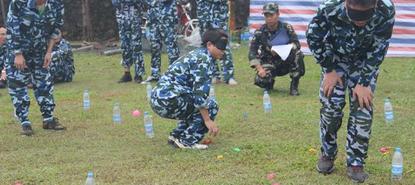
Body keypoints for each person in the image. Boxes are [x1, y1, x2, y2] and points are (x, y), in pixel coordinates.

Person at [306, 0, 395, 183]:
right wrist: (329, 70)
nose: (359, 22)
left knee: (362, 109)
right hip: (335, 59)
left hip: (364, 62)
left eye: (365, 16)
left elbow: (379, 46)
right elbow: (313, 36)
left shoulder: (386, 9)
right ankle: (327, 154)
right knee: (331, 109)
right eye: (354, 15)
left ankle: (356, 162)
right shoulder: (329, 8)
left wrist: (364, 82)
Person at [150, 28, 226, 149]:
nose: (223, 51)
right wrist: (207, 120)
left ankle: (177, 136)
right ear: (209, 44)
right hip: (168, 100)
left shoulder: (198, 54)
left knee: (193, 105)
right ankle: (186, 141)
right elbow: (200, 95)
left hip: (159, 99)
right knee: (211, 106)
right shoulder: (204, 60)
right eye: (220, 46)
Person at [6, 0, 67, 136]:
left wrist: (49, 51)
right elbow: (12, 29)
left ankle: (48, 119)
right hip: (20, 51)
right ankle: (25, 122)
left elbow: (56, 29)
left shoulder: (56, 3)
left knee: (45, 83)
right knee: (18, 85)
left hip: (41, 51)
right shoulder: (18, 3)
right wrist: (18, 54)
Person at [248, 2, 305, 95]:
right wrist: (260, 69)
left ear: (278, 14)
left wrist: (282, 50)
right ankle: (269, 82)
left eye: (271, 15)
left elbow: (296, 44)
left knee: (298, 54)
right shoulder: (260, 32)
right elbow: (252, 52)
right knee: (260, 80)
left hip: (286, 62)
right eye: (266, 15)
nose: (269, 18)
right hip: (270, 63)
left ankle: (294, 85)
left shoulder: (287, 28)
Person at [196, 0, 238, 85]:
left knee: (223, 41)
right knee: (207, 43)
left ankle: (229, 76)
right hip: (203, 10)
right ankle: (213, 74)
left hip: (219, 9)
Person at [144, 0, 180, 83]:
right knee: (154, 45)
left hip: (167, 17)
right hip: (153, 18)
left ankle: (175, 74)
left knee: (171, 45)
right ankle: (155, 74)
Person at [112, 0, 145, 83]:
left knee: (136, 45)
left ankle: (138, 74)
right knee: (124, 46)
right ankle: (127, 73)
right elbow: (114, 3)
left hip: (134, 18)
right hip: (122, 19)